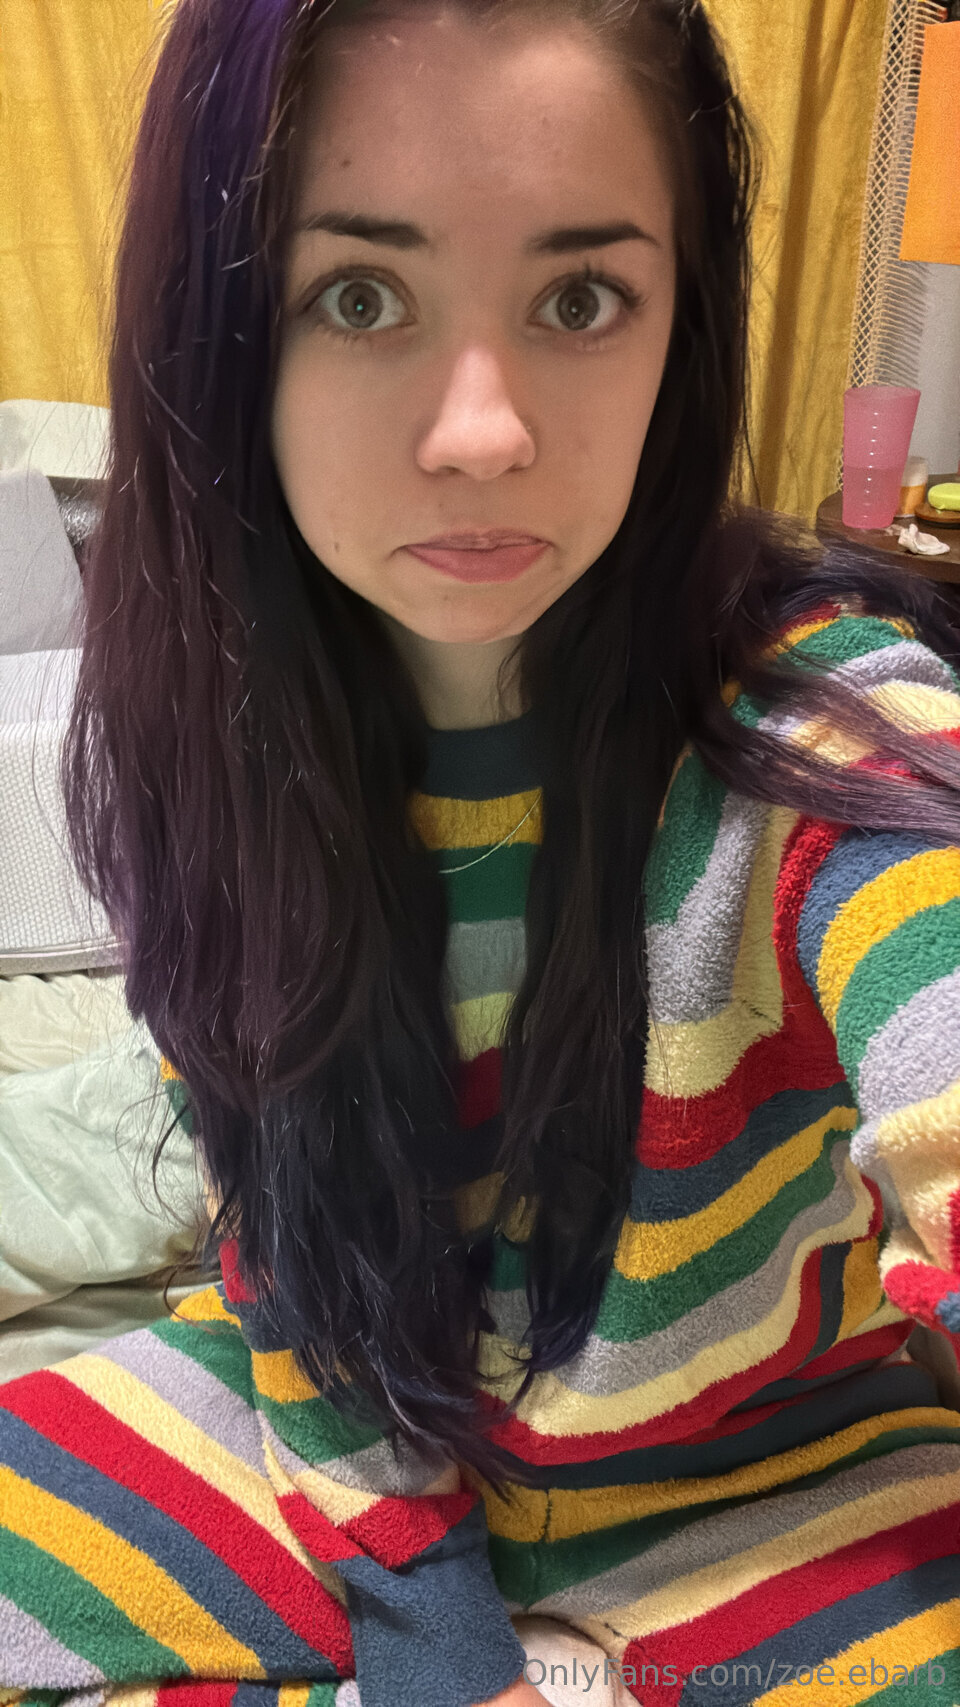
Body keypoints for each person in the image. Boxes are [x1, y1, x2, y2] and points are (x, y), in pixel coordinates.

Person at [1, 0, 959, 1702]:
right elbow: (292, 1256)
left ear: (682, 325)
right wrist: (438, 1646)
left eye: (580, 299)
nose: (481, 432)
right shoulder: (215, 756)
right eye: (361, 296)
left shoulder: (828, 735)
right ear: (226, 337)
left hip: (788, 1474)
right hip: (347, 1432)